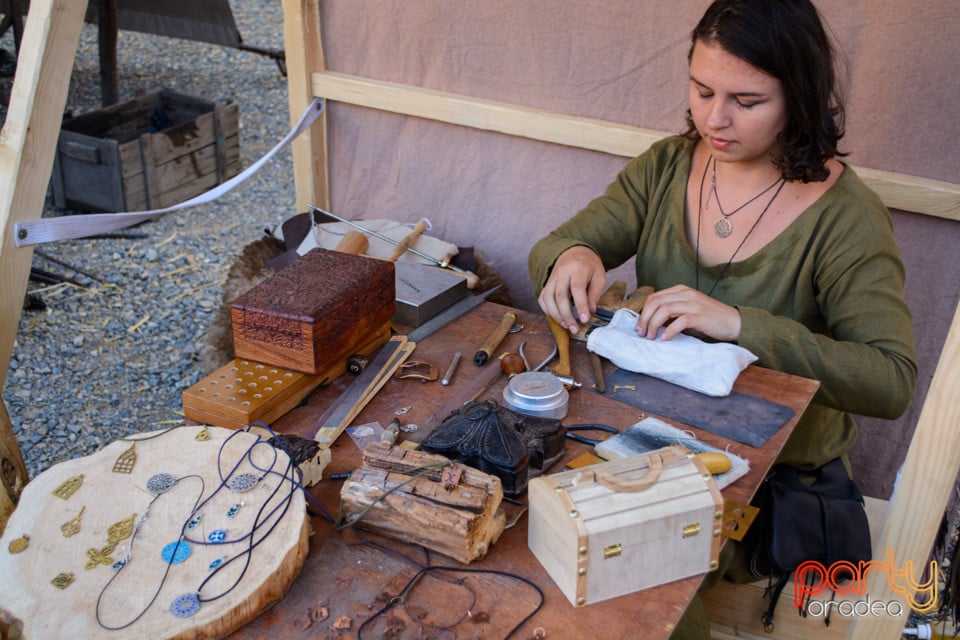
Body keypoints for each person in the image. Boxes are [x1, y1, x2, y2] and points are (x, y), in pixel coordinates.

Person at [528, 0, 917, 637]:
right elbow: (557, 246)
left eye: (747, 99)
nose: (715, 117)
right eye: (702, 89)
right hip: (645, 438)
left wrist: (740, 324)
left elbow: (890, 380)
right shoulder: (668, 165)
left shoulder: (846, 216)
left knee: (625, 580)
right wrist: (569, 257)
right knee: (541, 521)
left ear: (800, 95)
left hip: (762, 487)